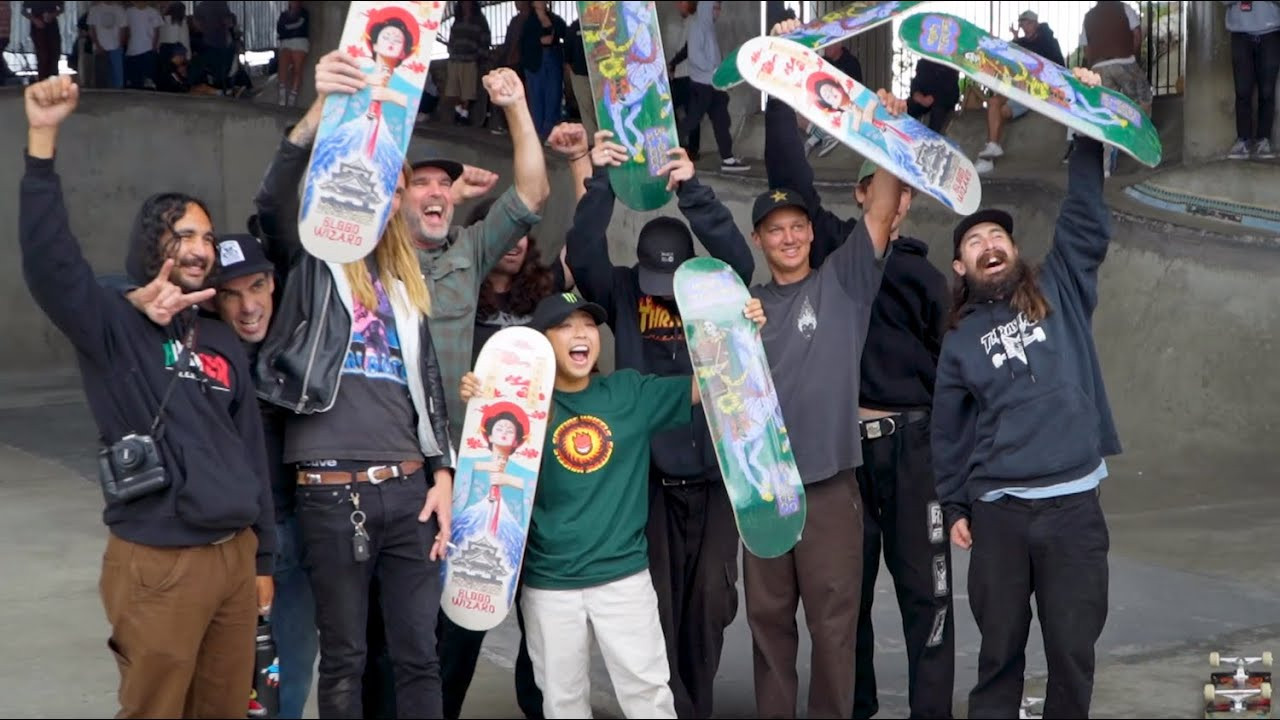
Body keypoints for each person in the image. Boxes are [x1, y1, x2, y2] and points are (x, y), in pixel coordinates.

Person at [19, 75, 276, 718]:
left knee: (223, 710)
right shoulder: (113, 324)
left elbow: (249, 451)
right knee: (155, 709)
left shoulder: (219, 338)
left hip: (233, 557)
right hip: (160, 559)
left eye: (206, 237)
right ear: (153, 243)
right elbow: (51, 264)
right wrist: (42, 141)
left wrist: (262, 555)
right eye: (182, 234)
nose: (198, 247)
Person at [250, 50, 455, 719]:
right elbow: (273, 204)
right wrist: (317, 114)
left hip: (409, 488)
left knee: (419, 654)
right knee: (346, 658)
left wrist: (443, 474)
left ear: (395, 201)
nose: (381, 195)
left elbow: (426, 387)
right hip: (331, 492)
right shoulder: (310, 262)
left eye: (391, 187)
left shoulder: (407, 285)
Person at [458, 291, 766, 719]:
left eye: (588, 324)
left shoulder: (628, 392)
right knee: (563, 705)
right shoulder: (523, 407)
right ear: (542, 342)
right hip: (550, 583)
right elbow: (483, 455)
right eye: (565, 326)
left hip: (623, 579)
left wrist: (741, 335)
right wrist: (478, 395)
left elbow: (708, 384)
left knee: (649, 697)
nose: (580, 333)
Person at [933, 68, 1116, 720]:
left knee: (1072, 651)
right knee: (999, 655)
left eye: (997, 236)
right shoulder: (958, 340)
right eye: (973, 241)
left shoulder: (1060, 287)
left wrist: (1085, 121)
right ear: (961, 266)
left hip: (1072, 511)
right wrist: (955, 501)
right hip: (1001, 516)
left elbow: (1088, 215)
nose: (988, 245)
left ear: (1014, 249)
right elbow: (948, 429)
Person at [566, 128, 753, 719]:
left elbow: (741, 260)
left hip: (716, 475)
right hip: (647, 480)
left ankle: (692, 703)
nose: (664, 297)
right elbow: (584, 247)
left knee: (712, 601)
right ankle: (669, 708)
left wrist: (693, 190)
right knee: (657, 606)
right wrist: (600, 179)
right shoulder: (622, 291)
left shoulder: (714, 291)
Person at [746, 65, 907, 713]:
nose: (786, 236)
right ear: (758, 240)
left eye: (795, 225)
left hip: (832, 487)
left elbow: (882, 209)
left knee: (835, 627)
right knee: (768, 627)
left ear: (811, 230)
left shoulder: (844, 285)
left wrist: (888, 134)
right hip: (761, 490)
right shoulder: (744, 305)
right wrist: (733, 331)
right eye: (773, 229)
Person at [404, 65, 550, 449]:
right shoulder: (371, 255)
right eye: (421, 183)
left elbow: (531, 195)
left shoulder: (470, 246)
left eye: (444, 184)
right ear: (396, 196)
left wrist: (516, 106)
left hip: (454, 445)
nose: (437, 191)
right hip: (390, 453)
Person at [974, 10, 1065, 174]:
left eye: (1027, 23)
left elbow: (1059, 67)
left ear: (1036, 23)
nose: (1024, 27)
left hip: (1036, 89)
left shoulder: (1048, 41)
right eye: (1022, 24)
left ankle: (988, 159)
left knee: (1002, 110)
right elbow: (1006, 54)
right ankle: (992, 148)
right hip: (1017, 86)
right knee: (994, 103)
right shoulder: (1021, 42)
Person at [678, 0, 750, 172]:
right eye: (715, 8)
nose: (718, 12)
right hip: (701, 86)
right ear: (707, 7)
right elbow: (696, 58)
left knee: (721, 121)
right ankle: (665, 150)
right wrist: (715, 72)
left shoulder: (709, 28)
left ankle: (728, 159)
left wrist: (721, 78)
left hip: (714, 86)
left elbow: (714, 58)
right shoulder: (697, 27)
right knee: (691, 121)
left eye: (719, 9)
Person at [1221, 1, 1279, 159]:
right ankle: (1243, 140)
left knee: (1267, 91)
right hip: (1240, 33)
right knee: (1242, 90)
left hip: (1270, 33)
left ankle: (1263, 140)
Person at [520, 1, 567, 141]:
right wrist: (539, 42)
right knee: (536, 96)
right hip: (535, 61)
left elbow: (565, 32)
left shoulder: (554, 18)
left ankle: (550, 132)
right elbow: (523, 43)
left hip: (553, 59)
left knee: (553, 94)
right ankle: (538, 132)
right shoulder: (528, 21)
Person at [446, 0, 490, 126]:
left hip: (471, 59)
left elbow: (485, 39)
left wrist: (480, 56)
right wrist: (450, 50)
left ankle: (464, 115)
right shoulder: (457, 20)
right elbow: (452, 38)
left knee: (467, 89)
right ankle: (458, 110)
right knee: (453, 90)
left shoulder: (480, 21)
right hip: (455, 58)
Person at [906, 58, 961, 135]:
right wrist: (919, 97)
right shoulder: (924, 63)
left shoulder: (950, 66)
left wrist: (935, 98)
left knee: (938, 112)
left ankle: (932, 140)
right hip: (923, 99)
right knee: (907, 106)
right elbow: (916, 84)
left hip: (942, 102)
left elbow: (953, 94)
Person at [275, 1, 309, 107]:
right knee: (282, 67)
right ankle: (282, 96)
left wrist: (286, 28)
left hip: (299, 41)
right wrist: (287, 29)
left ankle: (292, 98)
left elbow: (300, 25)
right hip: (286, 42)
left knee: (297, 70)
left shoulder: (304, 13)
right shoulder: (283, 14)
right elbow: (279, 29)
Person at [22, 1, 64, 80]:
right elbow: (23, 11)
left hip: (52, 24)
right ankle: (42, 81)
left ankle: (53, 81)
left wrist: (52, 15)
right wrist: (34, 20)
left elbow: (62, 8)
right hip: (37, 24)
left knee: (55, 54)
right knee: (43, 56)